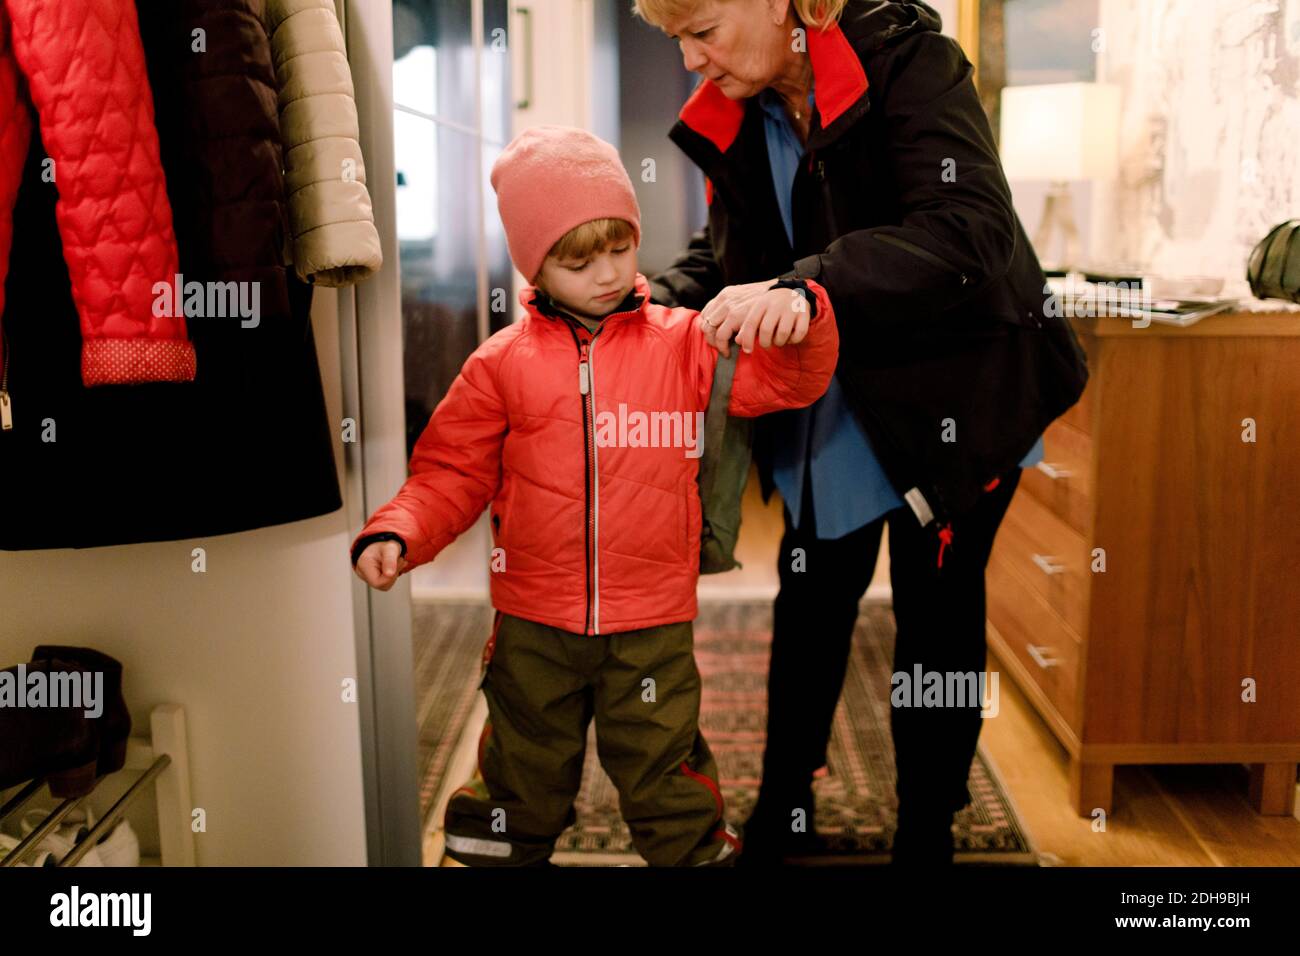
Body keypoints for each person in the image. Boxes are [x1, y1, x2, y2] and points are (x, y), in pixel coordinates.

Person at [636, 0, 1089, 865]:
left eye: (702, 30)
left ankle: (928, 827)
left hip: (956, 390)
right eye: (676, 41)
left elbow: (970, 230)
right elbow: (737, 245)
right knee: (809, 602)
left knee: (939, 615)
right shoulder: (752, 101)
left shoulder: (914, 66)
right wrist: (665, 293)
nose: (691, 61)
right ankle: (779, 811)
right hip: (835, 392)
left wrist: (807, 286)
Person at [349, 125, 840, 866]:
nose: (607, 273)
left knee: (664, 771)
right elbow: (450, 471)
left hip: (652, 624)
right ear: (535, 267)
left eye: (619, 248)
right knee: (520, 770)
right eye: (578, 262)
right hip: (534, 625)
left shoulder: (685, 343)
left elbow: (792, 381)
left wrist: (808, 318)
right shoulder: (499, 364)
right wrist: (398, 531)